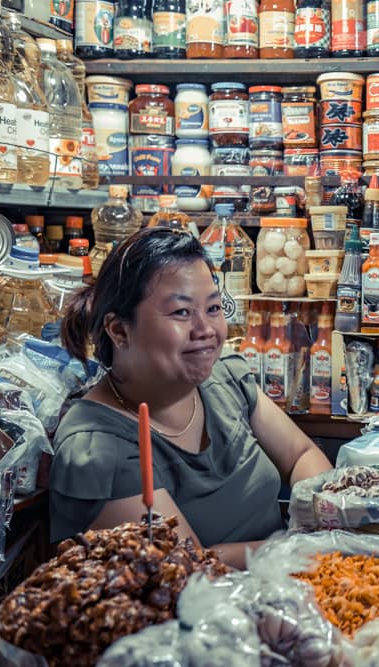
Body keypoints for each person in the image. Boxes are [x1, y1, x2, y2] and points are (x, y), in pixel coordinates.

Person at [52, 227, 332, 567]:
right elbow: (189, 570)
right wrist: (307, 547)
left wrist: (321, 523)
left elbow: (301, 455)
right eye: (182, 313)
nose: (206, 330)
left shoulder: (225, 379)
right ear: (119, 330)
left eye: (213, 308)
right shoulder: (98, 451)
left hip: (286, 582)